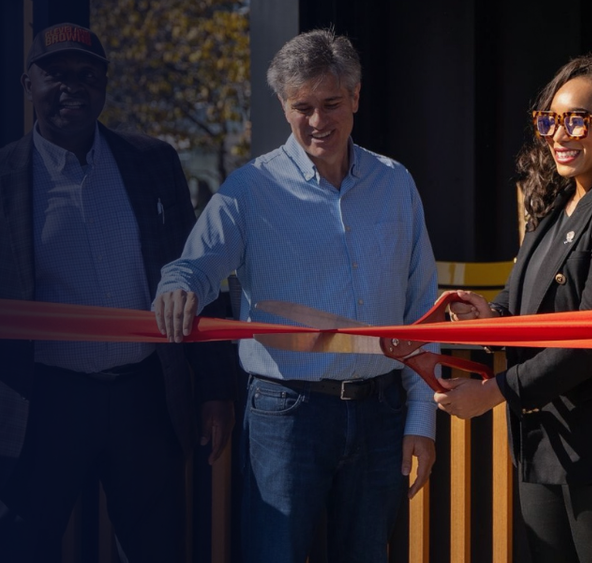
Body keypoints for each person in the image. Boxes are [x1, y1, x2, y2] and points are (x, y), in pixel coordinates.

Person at [0, 23, 236, 563]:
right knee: (20, 550)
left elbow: (195, 270)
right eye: (55, 74)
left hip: (143, 395)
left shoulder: (153, 162)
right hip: (42, 402)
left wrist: (216, 388)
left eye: (87, 75)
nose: (72, 87)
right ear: (27, 84)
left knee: (158, 550)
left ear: (104, 84)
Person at [153, 29, 438, 563]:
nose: (317, 120)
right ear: (283, 107)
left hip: (381, 412)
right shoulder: (249, 189)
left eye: (331, 103)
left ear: (356, 97)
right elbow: (193, 267)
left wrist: (421, 417)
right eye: (301, 107)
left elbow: (421, 305)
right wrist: (178, 287)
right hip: (286, 414)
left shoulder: (395, 183)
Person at [433, 54, 592, 563]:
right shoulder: (552, 206)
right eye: (549, 121)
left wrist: (494, 391)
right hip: (545, 440)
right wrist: (489, 317)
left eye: (577, 120)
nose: (558, 135)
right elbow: (519, 306)